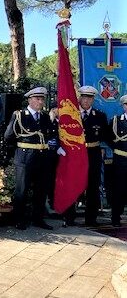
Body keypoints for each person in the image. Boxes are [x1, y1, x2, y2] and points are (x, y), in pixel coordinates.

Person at [4, 87, 57, 230]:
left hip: (42, 158)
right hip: (25, 157)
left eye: (42, 99)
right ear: (30, 100)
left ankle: (38, 219)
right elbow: (8, 136)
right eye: (37, 99)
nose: (40, 102)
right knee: (22, 190)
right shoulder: (20, 115)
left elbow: (51, 136)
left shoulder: (46, 117)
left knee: (41, 190)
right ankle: (18, 219)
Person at [63, 86, 108, 227]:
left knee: (93, 186)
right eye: (84, 97)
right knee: (73, 184)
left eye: (90, 98)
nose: (86, 100)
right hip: (76, 154)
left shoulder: (100, 116)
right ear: (79, 98)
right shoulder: (72, 115)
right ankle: (69, 217)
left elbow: (105, 136)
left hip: (93, 153)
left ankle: (91, 218)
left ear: (93, 99)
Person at [110, 94, 127, 227]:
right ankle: (116, 217)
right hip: (120, 159)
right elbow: (109, 137)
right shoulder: (116, 121)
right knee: (118, 189)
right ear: (123, 106)